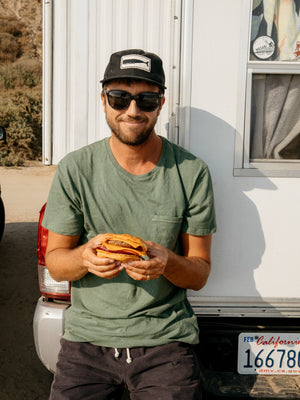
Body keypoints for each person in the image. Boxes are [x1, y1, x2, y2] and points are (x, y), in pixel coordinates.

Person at [43, 49, 216, 400]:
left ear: (160, 103)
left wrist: (168, 262)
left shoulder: (191, 172)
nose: (132, 111)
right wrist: (84, 259)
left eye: (146, 99)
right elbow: (56, 263)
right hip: (87, 341)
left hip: (164, 340)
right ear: (104, 100)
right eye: (120, 97)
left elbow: (199, 273)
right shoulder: (76, 169)